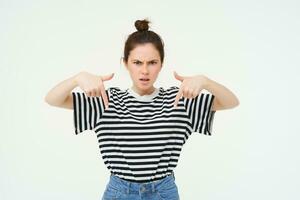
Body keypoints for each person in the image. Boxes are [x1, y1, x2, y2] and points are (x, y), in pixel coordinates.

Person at [45, 18, 239, 200]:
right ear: (126, 64)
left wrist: (205, 82)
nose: (144, 71)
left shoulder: (179, 100)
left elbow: (231, 102)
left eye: (152, 62)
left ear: (161, 64)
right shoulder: (106, 100)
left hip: (163, 192)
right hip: (120, 192)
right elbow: (53, 99)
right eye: (137, 62)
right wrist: (77, 78)